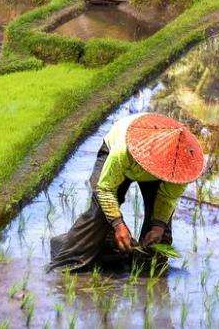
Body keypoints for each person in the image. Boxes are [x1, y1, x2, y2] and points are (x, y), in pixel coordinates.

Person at [48, 112, 204, 273]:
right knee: (100, 214)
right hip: (122, 153)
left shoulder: (182, 167)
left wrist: (158, 226)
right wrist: (118, 225)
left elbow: (167, 198)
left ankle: (146, 270)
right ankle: (65, 267)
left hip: (160, 160)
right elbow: (105, 189)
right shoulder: (124, 148)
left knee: (160, 234)